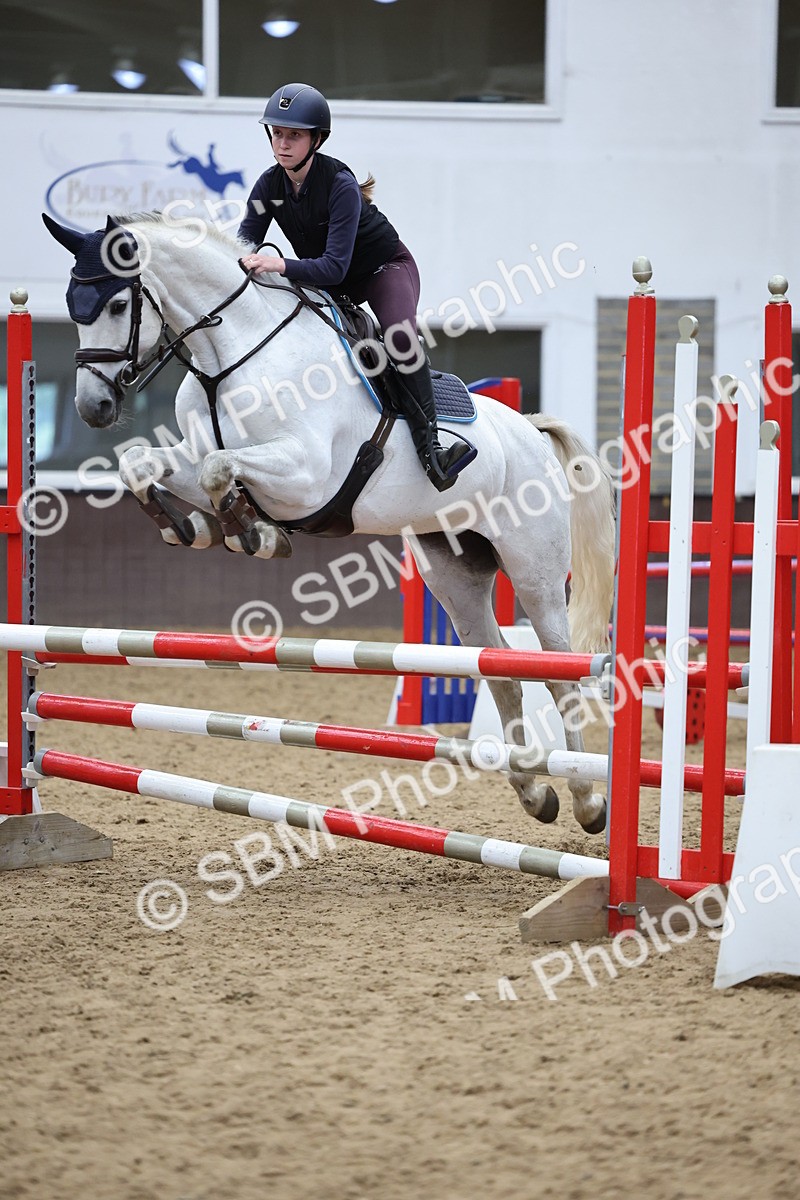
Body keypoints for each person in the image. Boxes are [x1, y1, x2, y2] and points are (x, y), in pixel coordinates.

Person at [237, 81, 474, 492]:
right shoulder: (267, 187)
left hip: (382, 269)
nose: (283, 143)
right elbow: (244, 243)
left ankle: (432, 450)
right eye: (277, 132)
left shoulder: (340, 185)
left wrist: (277, 263)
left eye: (294, 135)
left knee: (399, 337)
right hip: (332, 278)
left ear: (316, 139)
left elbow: (332, 267)